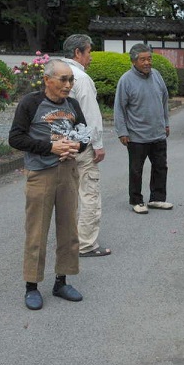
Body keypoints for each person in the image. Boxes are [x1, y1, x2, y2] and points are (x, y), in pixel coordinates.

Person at [9, 59, 89, 310]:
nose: (68, 85)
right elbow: (15, 137)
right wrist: (50, 147)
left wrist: (78, 146)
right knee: (37, 232)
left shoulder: (73, 105)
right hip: (40, 174)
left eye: (71, 80)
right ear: (47, 80)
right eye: (63, 80)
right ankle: (31, 286)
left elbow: (83, 135)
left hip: (67, 172)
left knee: (68, 230)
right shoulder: (30, 103)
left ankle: (61, 281)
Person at [62, 34, 111, 257]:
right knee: (88, 192)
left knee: (66, 196)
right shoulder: (81, 78)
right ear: (78, 53)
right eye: (89, 52)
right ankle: (85, 244)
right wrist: (98, 144)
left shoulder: (54, 74)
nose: (91, 57)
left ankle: (67, 240)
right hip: (81, 144)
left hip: (59, 146)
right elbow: (91, 116)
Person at [114, 43, 173, 214]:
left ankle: (157, 198)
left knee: (161, 167)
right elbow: (119, 108)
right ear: (133, 61)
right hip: (136, 135)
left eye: (149, 58)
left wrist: (166, 123)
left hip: (158, 132)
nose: (147, 62)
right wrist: (122, 132)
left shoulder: (157, 75)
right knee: (136, 169)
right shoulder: (126, 80)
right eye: (143, 59)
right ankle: (136, 200)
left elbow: (164, 101)